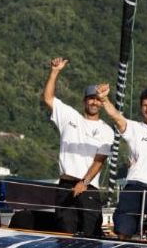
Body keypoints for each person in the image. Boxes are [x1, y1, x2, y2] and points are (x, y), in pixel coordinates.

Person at [42, 57, 115, 237]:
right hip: (65, 185)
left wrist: (84, 182)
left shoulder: (106, 130)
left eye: (98, 100)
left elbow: (99, 161)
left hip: (88, 187)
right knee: (65, 233)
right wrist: (55, 71)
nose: (94, 103)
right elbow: (48, 98)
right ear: (84, 101)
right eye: (91, 99)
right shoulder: (70, 117)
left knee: (90, 235)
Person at [98, 84, 147, 240]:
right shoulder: (134, 128)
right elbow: (116, 117)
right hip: (134, 185)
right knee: (123, 231)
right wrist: (104, 99)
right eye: (145, 106)